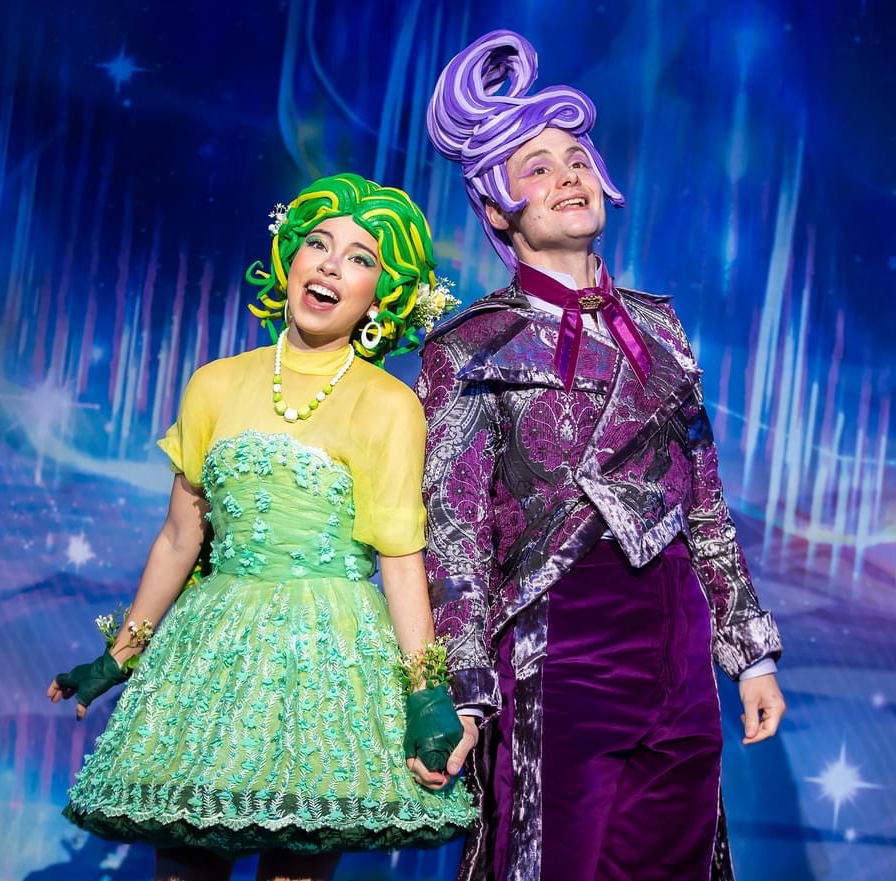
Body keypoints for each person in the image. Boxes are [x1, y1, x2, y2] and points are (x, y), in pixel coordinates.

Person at [418, 31, 787, 881]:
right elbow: (454, 529)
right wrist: (465, 686)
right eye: (537, 166)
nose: (568, 175)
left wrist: (749, 655)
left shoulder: (660, 326)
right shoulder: (472, 342)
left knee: (672, 860)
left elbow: (704, 501)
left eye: (577, 158)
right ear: (496, 209)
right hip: (559, 640)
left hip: (677, 640)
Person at [47, 172, 474, 881]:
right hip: (210, 653)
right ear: (290, 257)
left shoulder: (390, 405)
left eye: (360, 258)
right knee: (183, 866)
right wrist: (118, 655)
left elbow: (401, 558)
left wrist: (426, 694)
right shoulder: (215, 382)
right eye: (318, 243)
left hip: (328, 663)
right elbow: (180, 537)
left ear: (382, 294)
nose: (331, 266)